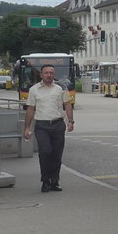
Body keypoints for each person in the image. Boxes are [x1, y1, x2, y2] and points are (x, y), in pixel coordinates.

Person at [22, 64, 74, 192]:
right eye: (46, 73)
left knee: (57, 154)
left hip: (57, 125)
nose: (49, 75)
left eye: (51, 73)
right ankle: (45, 180)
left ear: (54, 75)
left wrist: (70, 121)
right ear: (41, 75)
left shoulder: (61, 88)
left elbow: (67, 105)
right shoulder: (34, 89)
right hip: (42, 126)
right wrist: (27, 127)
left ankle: (54, 181)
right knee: (45, 152)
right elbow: (30, 109)